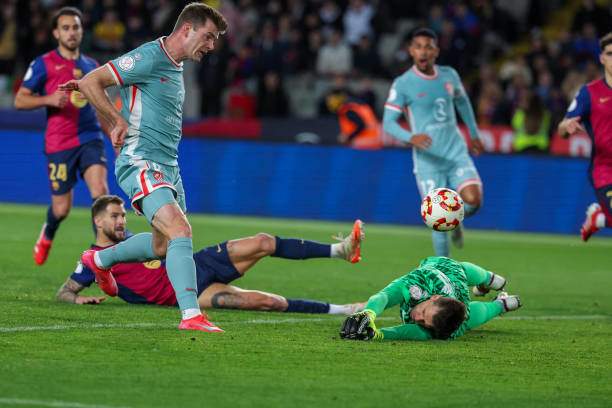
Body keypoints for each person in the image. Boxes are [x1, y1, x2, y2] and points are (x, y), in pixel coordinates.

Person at [59, 3, 229, 332]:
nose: (211, 45)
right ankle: (191, 315)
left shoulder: (175, 64)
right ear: (186, 30)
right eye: (208, 36)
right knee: (181, 232)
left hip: (169, 166)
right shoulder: (150, 57)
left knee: (162, 245)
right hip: (142, 162)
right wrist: (114, 121)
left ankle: (99, 259)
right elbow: (93, 81)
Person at [56, 195, 364, 317]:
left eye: (123, 215)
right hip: (191, 293)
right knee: (268, 302)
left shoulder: (136, 242)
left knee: (264, 241)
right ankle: (343, 309)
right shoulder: (94, 258)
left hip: (200, 262)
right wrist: (77, 298)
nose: (121, 221)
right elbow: (65, 291)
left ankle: (340, 250)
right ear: (98, 221)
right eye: (114, 216)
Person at [14, 7, 110, 266]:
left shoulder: (91, 66)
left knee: (100, 191)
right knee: (61, 209)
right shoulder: (43, 64)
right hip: (60, 143)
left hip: (90, 136)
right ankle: (48, 231)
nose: (71, 32)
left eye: (76, 27)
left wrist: (113, 131)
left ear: (82, 31)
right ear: (56, 33)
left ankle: (102, 257)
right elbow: (20, 99)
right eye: (66, 28)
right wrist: (48, 99)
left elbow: (101, 104)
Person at [382, 28, 485, 257]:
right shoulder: (403, 84)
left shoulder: (449, 75)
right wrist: (411, 137)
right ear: (411, 51)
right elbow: (388, 123)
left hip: (456, 152)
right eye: (418, 46)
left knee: (474, 201)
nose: (423, 51)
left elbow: (463, 103)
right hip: (428, 161)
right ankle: (445, 276)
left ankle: (455, 219)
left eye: (428, 46)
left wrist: (474, 133)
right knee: (437, 221)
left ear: (436, 51)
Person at [340, 256, 521, 341]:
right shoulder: (420, 280)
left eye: (424, 321)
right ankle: (490, 280)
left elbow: (411, 332)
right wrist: (368, 313)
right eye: (424, 311)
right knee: (460, 268)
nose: (417, 318)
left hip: (458, 297)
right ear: (434, 297)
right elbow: (385, 296)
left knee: (465, 322)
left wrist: (378, 335)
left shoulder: (443, 328)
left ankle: (501, 304)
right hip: (448, 271)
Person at [558, 32, 612, 242]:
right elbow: (562, 128)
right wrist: (567, 126)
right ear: (602, 58)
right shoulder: (589, 92)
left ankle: (598, 218)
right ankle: (600, 217)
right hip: (605, 169)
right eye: (610, 53)